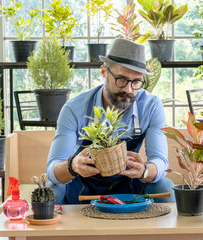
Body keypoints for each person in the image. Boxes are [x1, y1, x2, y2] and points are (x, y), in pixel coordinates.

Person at [46, 38, 175, 204]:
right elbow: (52, 169)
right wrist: (73, 166)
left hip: (130, 184)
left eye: (136, 82)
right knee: (52, 191)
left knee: (165, 187)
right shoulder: (74, 108)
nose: (128, 90)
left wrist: (144, 170)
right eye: (121, 80)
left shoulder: (151, 105)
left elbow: (160, 160)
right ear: (103, 72)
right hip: (83, 188)